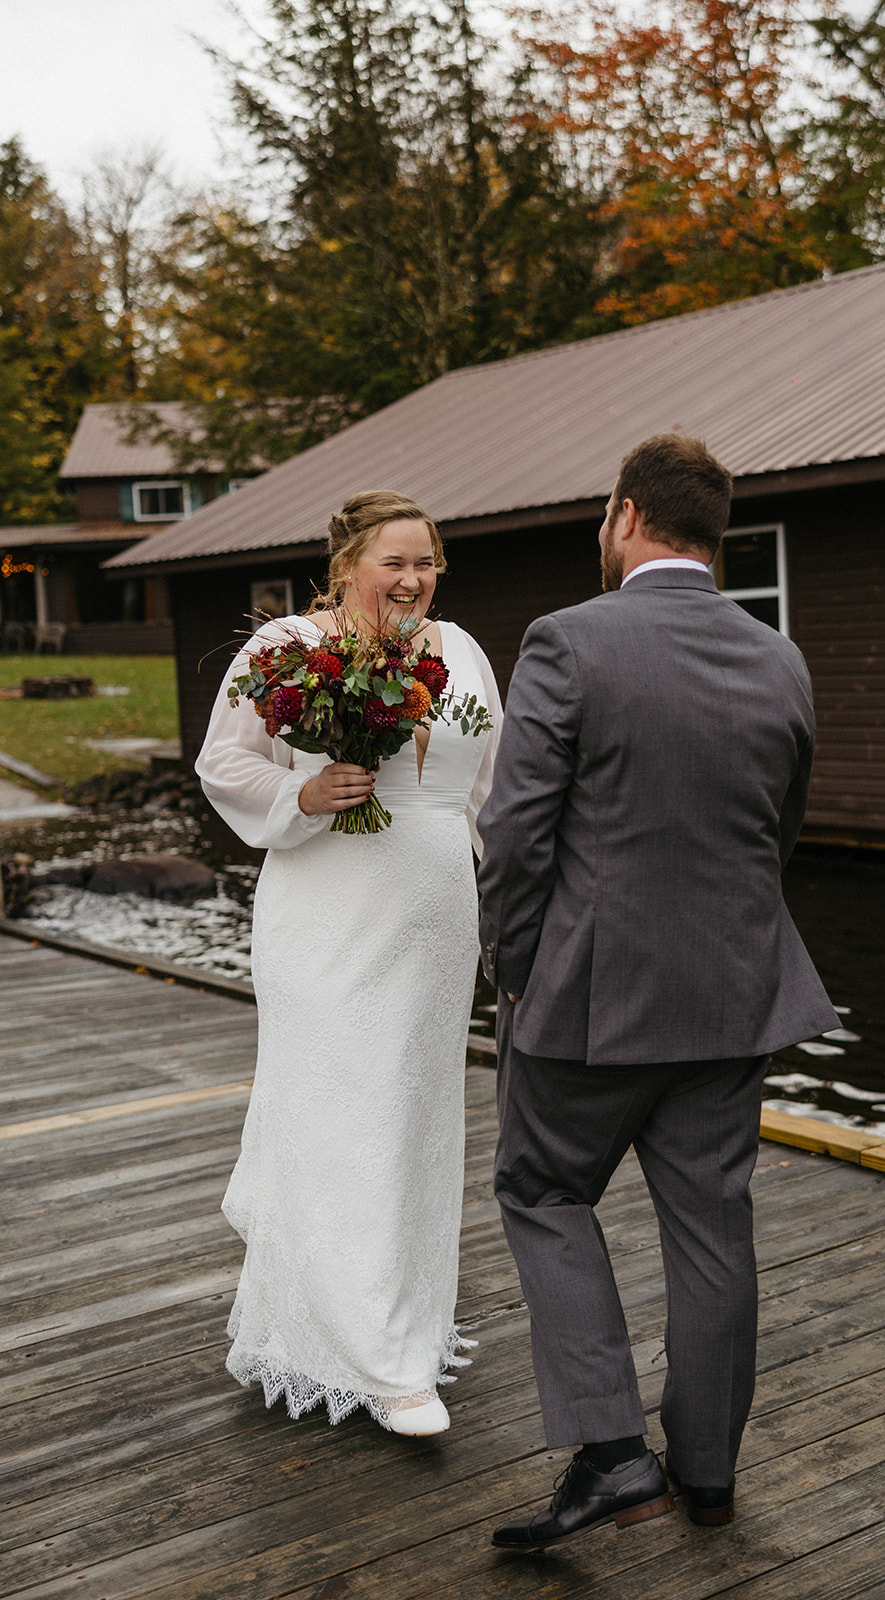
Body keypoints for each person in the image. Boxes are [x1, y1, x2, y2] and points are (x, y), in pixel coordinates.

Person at [476, 433, 838, 1549]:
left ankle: (609, 1451)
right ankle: (710, 1473)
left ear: (625, 514)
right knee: (712, 1225)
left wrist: (517, 977)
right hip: (733, 995)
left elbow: (514, 834)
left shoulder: (566, 642)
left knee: (540, 1189)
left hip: (588, 1001)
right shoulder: (779, 657)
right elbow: (777, 832)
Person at [196, 490, 502, 1437]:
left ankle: (405, 1316)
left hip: (435, 915)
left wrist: (511, 894)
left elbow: (488, 786)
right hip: (326, 909)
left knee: (411, 1115)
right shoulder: (285, 649)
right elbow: (223, 764)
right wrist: (307, 788)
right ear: (346, 566)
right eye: (393, 563)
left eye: (426, 563)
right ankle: (378, 1361)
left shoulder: (465, 654)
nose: (411, 581)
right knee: (340, 1108)